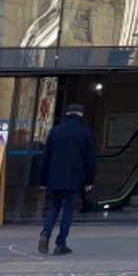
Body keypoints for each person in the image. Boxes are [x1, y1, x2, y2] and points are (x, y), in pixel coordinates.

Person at [38, 103, 96, 256]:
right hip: (74, 177)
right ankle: (61, 243)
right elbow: (90, 158)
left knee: (54, 206)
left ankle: (45, 232)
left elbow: (46, 157)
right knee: (68, 209)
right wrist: (89, 180)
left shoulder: (55, 131)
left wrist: (43, 180)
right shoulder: (85, 132)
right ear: (81, 115)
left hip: (55, 176)